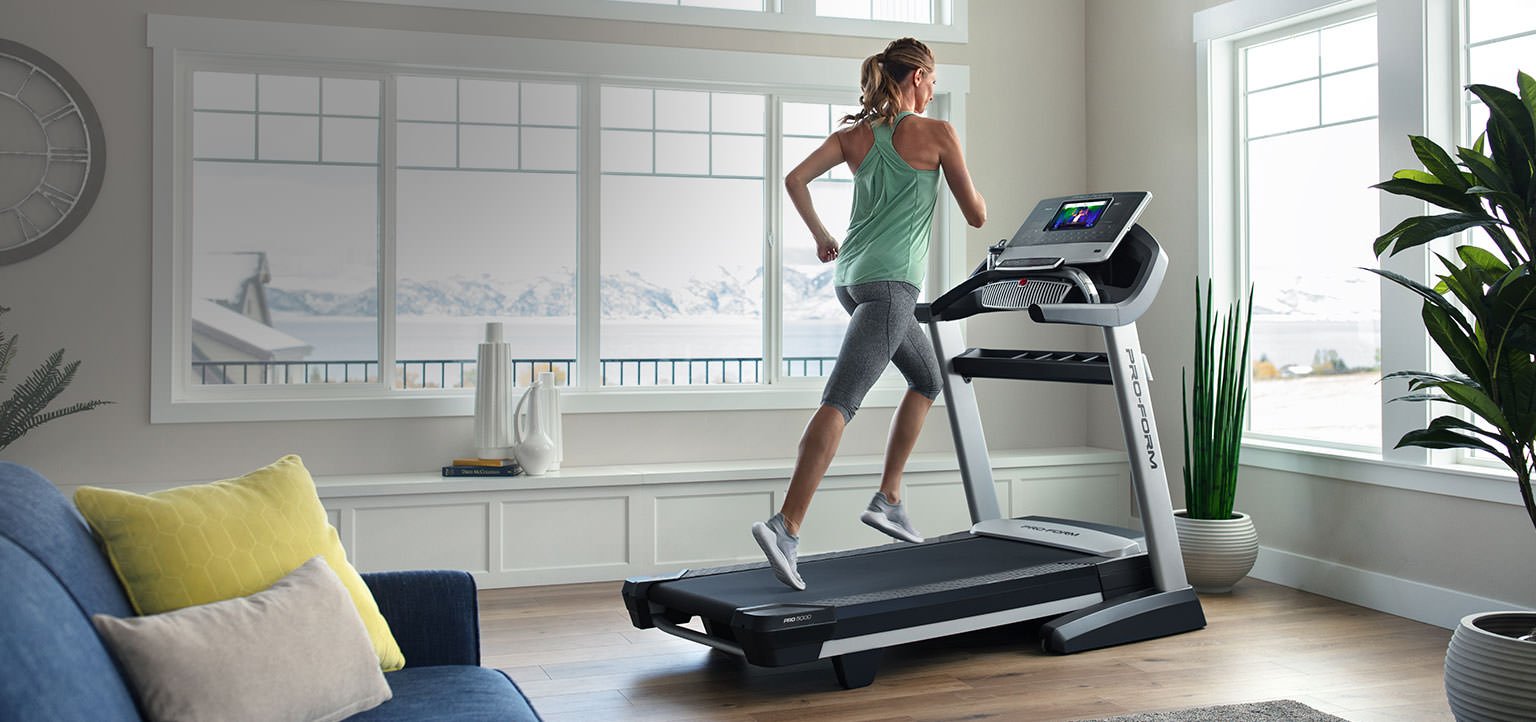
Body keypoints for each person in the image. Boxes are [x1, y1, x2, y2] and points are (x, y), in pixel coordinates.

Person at [752, 37, 987, 591]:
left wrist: (822, 237)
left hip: (853, 281)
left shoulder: (854, 136)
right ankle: (785, 527)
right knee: (841, 402)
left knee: (928, 379)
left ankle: (889, 498)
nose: (933, 91)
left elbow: (794, 180)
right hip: (890, 288)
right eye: (931, 80)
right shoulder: (938, 135)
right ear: (917, 77)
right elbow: (975, 214)